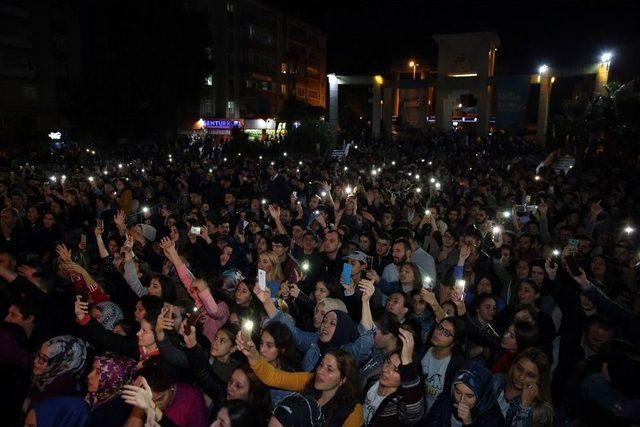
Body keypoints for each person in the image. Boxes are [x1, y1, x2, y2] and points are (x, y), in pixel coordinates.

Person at [426, 361, 504, 427]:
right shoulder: (446, 398)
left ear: (481, 396)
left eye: (469, 396)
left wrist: (468, 423)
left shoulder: (492, 417)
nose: (462, 400)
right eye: (458, 392)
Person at [491, 347, 554, 427]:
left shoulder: (541, 410)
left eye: (530, 375)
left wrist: (524, 408)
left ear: (539, 380)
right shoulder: (498, 380)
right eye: (519, 369)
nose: (521, 377)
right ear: (513, 365)